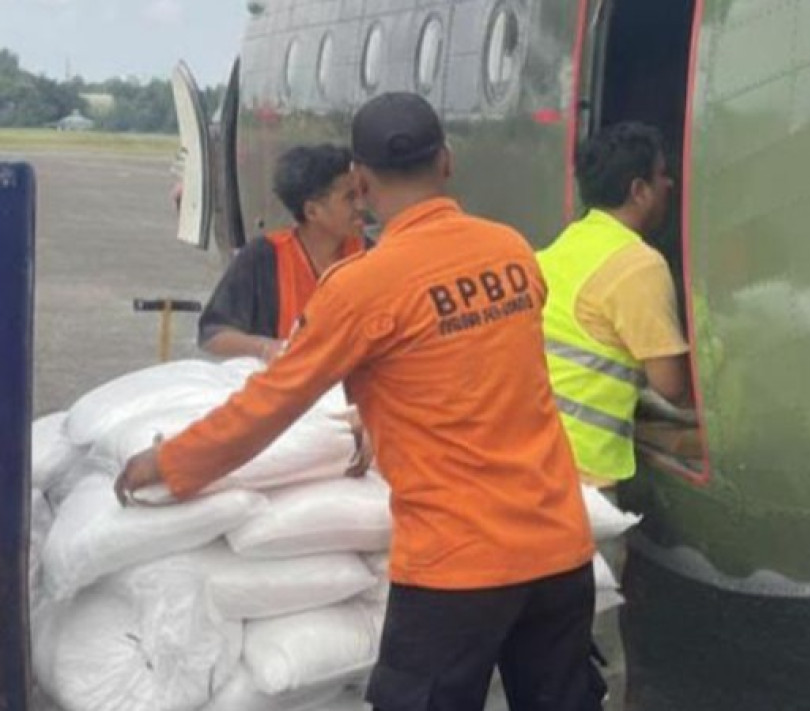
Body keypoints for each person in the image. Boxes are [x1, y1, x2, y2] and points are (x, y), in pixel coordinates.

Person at [115, 92, 603, 711]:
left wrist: (172, 463)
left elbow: (270, 403)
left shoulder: (363, 286)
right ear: (447, 161)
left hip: (457, 565)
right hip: (559, 548)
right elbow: (476, 372)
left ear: (362, 181)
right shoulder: (511, 252)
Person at [538, 121, 693, 487]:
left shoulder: (563, 245)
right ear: (639, 190)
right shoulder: (638, 264)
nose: (669, 184)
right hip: (584, 472)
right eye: (661, 175)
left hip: (537, 455)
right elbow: (671, 386)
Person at [198, 144, 367, 361]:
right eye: (350, 197)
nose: (362, 205)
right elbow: (212, 334)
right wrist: (264, 348)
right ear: (312, 211)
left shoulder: (373, 255)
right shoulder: (263, 256)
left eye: (362, 193)